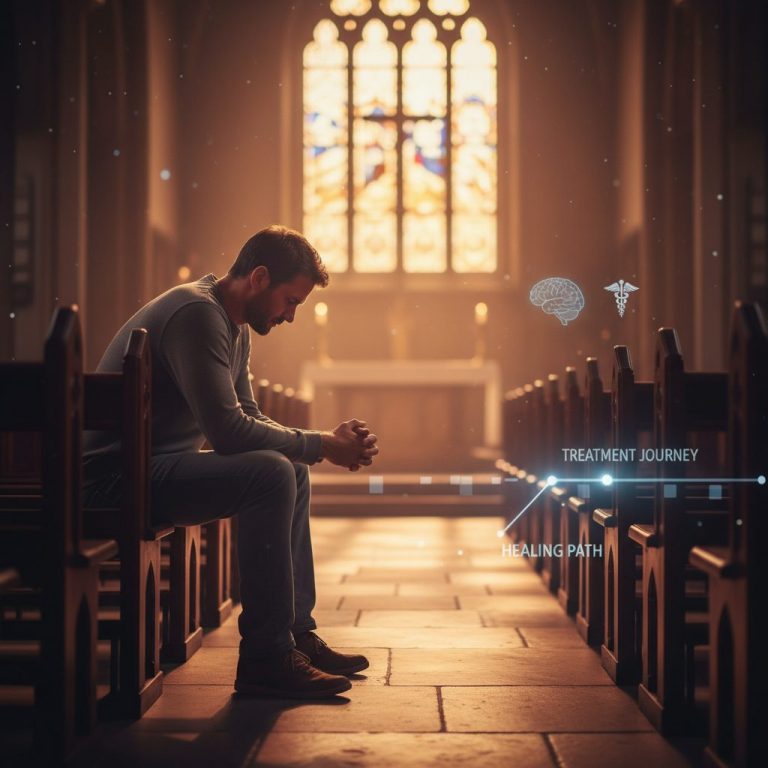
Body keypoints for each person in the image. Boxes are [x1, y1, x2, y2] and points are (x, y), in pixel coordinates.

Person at [83, 225, 379, 699]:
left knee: (291, 468)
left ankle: (295, 635)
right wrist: (322, 443)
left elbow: (249, 416)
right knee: (273, 472)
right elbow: (227, 433)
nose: (291, 316)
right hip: (111, 480)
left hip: (153, 468)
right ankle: (266, 658)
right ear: (259, 278)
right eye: (290, 301)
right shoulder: (197, 313)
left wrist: (317, 444)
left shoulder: (232, 323)